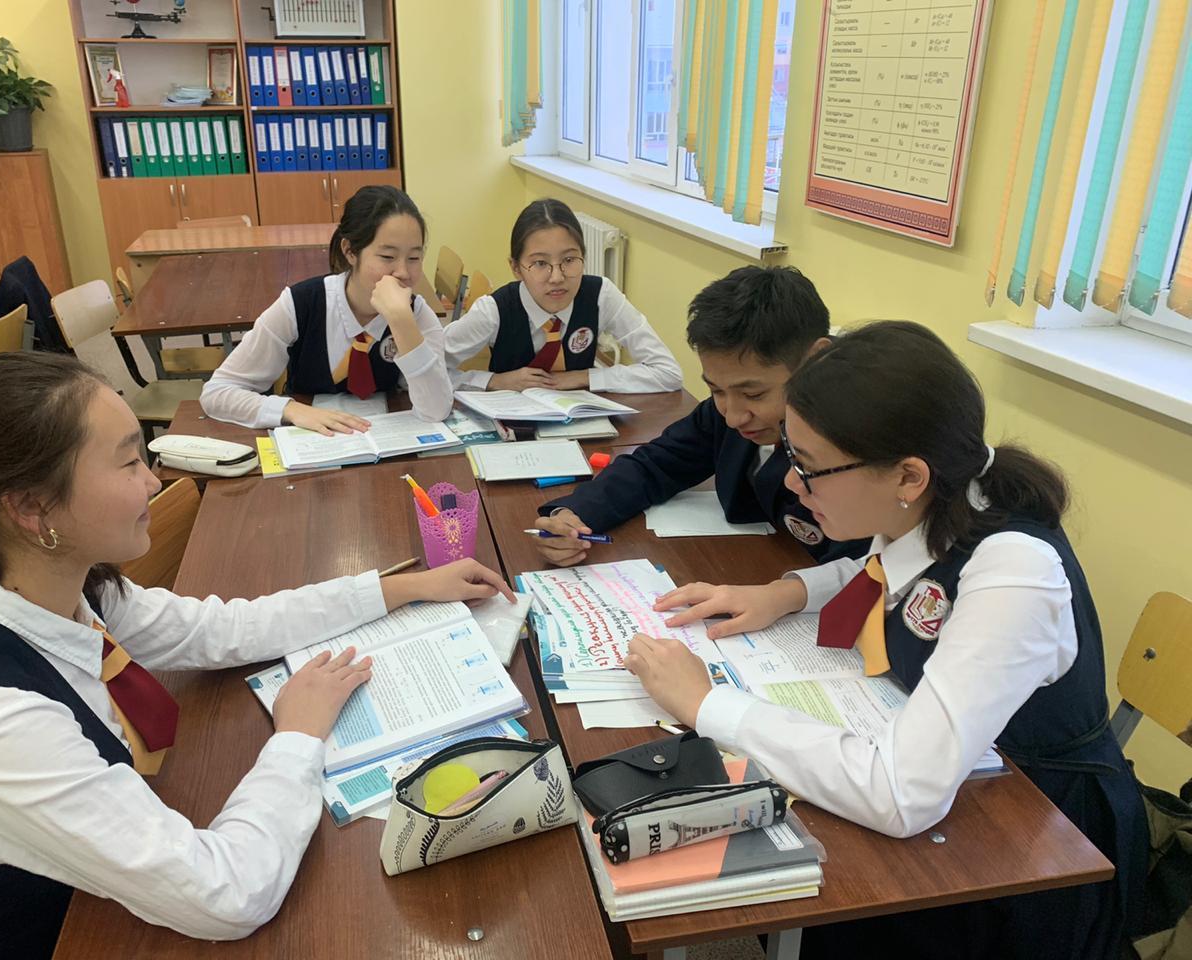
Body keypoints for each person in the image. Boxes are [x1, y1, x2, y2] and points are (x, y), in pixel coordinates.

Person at [0, 352, 515, 958]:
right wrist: (298, 735)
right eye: (128, 462)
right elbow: (227, 896)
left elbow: (221, 628)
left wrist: (400, 588)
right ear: (31, 507)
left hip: (103, 881)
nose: (153, 481)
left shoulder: (57, 580)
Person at [624, 321, 1147, 959]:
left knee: (810, 894)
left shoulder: (1015, 572)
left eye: (809, 467)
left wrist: (706, 704)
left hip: (1028, 848)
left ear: (907, 477)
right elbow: (894, 569)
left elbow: (902, 795)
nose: (791, 484)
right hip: (968, 792)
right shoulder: (944, 498)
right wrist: (786, 592)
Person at [530, 266, 868, 579]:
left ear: (814, 359)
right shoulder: (731, 407)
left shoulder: (863, 433)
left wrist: (793, 592)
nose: (733, 416)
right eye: (716, 390)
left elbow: (875, 566)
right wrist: (572, 515)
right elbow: (656, 464)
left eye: (753, 394)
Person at [200, 185, 452, 434]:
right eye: (387, 257)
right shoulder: (300, 304)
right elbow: (217, 392)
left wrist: (401, 322)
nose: (403, 272)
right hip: (311, 444)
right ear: (350, 251)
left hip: (385, 443)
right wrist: (291, 409)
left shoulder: (417, 314)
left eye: (414, 258)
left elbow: (436, 410)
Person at [443, 198, 682, 394]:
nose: (557, 277)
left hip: (581, 423)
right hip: (510, 428)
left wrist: (586, 377)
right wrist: (493, 381)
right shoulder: (494, 310)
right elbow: (429, 369)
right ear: (516, 268)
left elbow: (668, 372)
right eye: (540, 263)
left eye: (569, 260)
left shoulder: (601, 295)